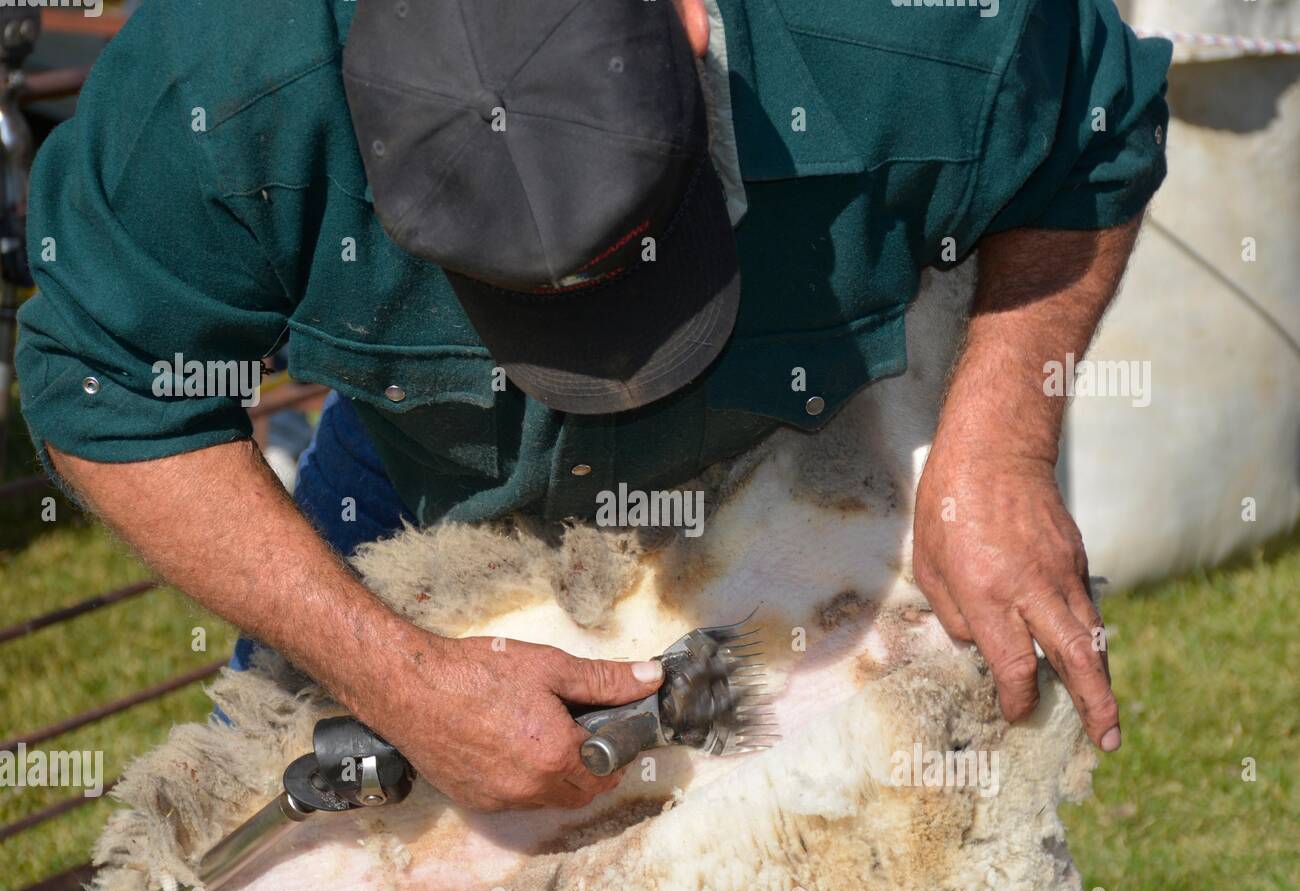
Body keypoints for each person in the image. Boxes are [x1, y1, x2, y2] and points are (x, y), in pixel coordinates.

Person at [16, 0, 1172, 811]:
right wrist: (397, 677)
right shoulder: (229, 66)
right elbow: (103, 380)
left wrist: (997, 451)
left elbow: (1092, 132)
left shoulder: (905, 23)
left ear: (686, 24)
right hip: (432, 486)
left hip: (818, 460)